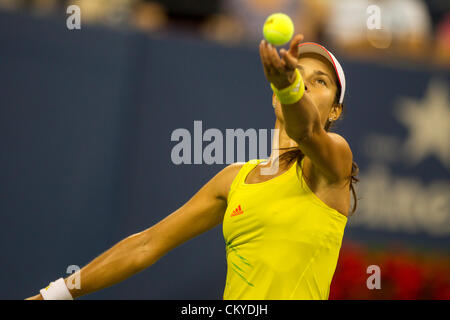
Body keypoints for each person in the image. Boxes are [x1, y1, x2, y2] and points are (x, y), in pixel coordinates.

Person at [26, 34, 358, 300]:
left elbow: (308, 131)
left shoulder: (334, 164)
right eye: (297, 76)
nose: (305, 85)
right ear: (273, 93)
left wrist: (289, 88)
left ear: (335, 112)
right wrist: (54, 295)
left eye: (320, 82)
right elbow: (147, 244)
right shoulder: (234, 179)